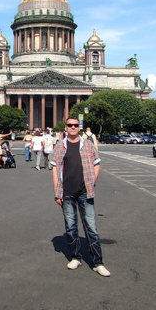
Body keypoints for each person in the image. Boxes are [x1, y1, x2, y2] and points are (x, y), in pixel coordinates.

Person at [50, 118, 109, 277]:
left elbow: (97, 164)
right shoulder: (60, 146)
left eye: (76, 125)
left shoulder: (88, 145)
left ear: (79, 127)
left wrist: (92, 182)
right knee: (71, 227)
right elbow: (55, 170)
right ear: (66, 128)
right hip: (66, 192)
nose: (73, 127)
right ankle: (76, 256)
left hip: (85, 192)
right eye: (70, 125)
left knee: (91, 228)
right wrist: (57, 192)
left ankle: (98, 262)